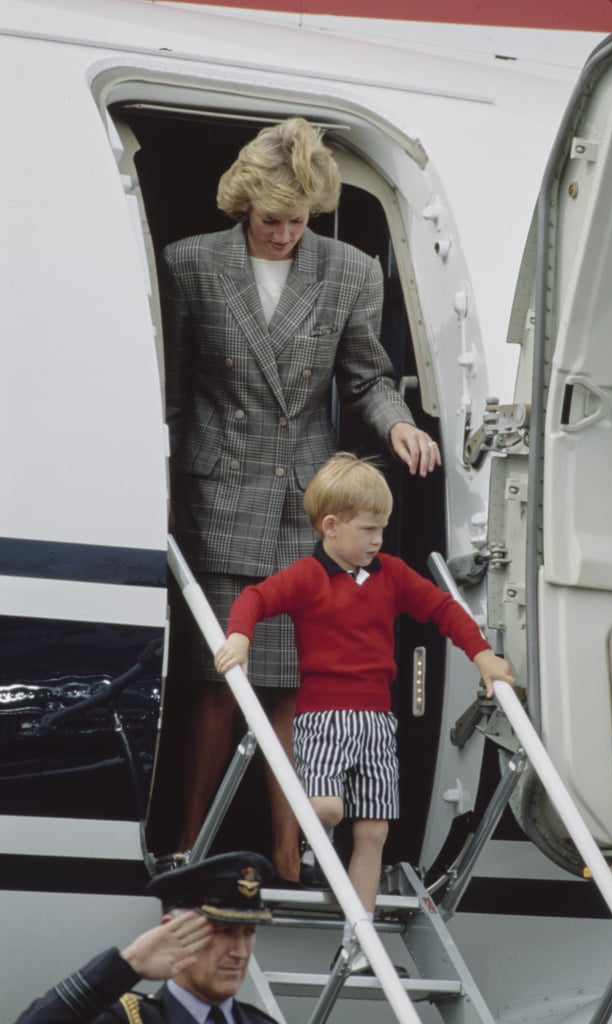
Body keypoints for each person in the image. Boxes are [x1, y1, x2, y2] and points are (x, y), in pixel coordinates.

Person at [161, 116, 441, 883]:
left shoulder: (350, 272)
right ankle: (189, 843)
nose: (286, 234)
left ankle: (289, 855)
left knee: (296, 695)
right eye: (272, 219)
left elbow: (367, 379)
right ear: (243, 206)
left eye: (300, 220)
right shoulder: (189, 266)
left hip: (308, 505)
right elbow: (175, 398)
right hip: (220, 496)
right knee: (217, 690)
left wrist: (402, 426)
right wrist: (162, 494)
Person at [214, 452, 515, 969]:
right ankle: (310, 851)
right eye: (369, 529)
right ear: (330, 528)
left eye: (383, 528)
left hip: (377, 721)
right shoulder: (308, 577)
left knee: (373, 832)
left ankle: (358, 944)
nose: (378, 540)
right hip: (325, 717)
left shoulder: (391, 575)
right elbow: (256, 598)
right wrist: (239, 637)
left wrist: (482, 655)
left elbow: (442, 608)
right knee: (329, 808)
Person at [14, 851, 278, 1024]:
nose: (240, 952)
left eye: (249, 932)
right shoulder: (128, 1019)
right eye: (224, 932)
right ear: (170, 930)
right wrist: (128, 964)